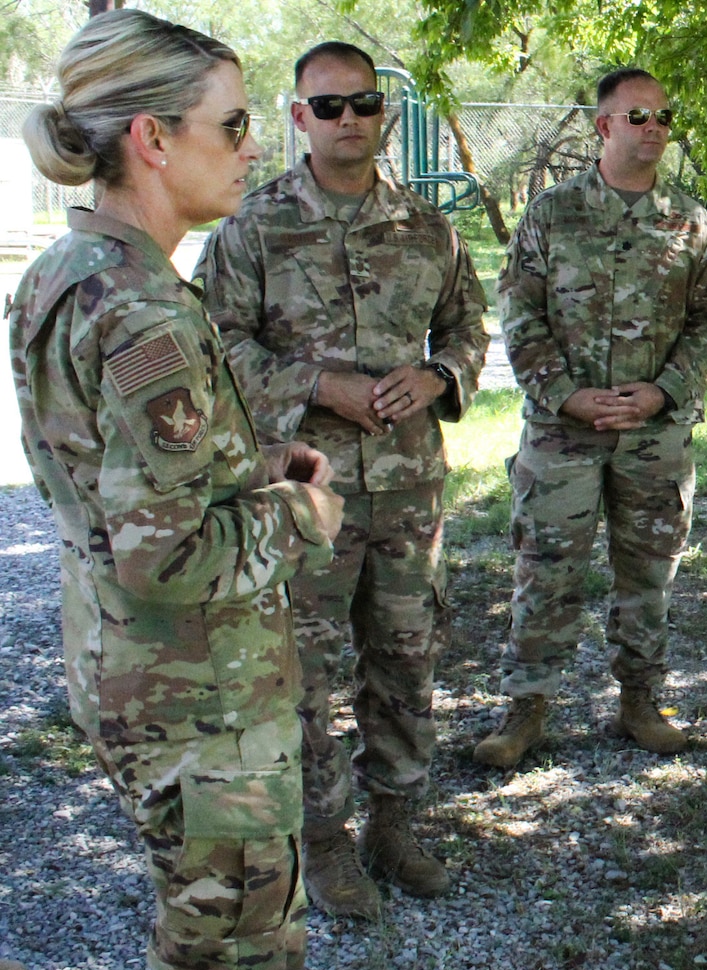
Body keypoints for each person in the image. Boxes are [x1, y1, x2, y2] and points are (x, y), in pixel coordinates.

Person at [8, 11, 352, 970]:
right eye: (235, 123)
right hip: (192, 700)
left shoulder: (72, 271)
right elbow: (169, 558)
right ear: (153, 139)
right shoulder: (144, 304)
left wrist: (248, 457)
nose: (255, 145)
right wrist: (300, 512)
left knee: (228, 945)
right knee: (227, 966)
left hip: (131, 674)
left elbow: (106, 468)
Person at [197, 41, 488, 921]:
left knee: (406, 656)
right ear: (297, 119)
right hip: (306, 495)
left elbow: (468, 325)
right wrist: (320, 386)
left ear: (383, 113)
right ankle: (322, 841)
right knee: (308, 670)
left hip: (408, 487)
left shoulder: (427, 227)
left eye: (363, 103)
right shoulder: (253, 226)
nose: (349, 119)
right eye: (328, 107)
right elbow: (214, 345)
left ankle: (394, 826)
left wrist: (439, 378)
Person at [474, 66, 707, 768]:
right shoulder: (552, 214)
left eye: (664, 118)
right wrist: (563, 392)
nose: (654, 129)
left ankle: (640, 700)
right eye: (638, 116)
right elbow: (519, 310)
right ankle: (525, 709)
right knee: (546, 567)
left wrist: (663, 391)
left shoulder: (693, 222)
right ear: (604, 127)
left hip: (653, 434)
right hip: (564, 430)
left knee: (649, 573)